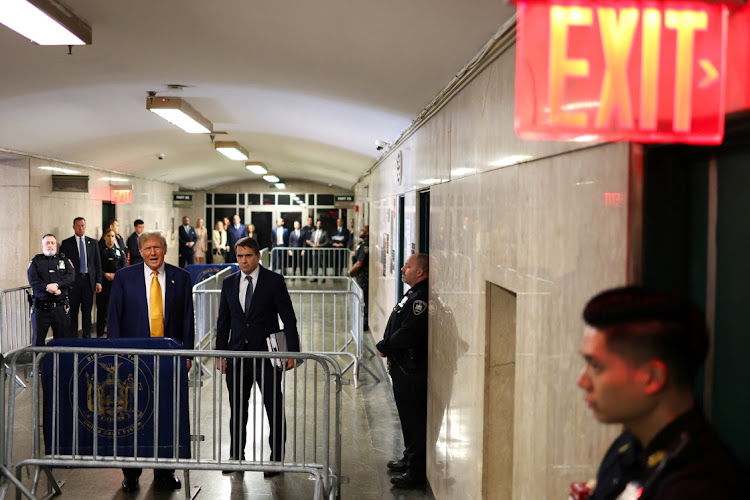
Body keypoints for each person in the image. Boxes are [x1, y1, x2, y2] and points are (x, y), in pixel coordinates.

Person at [578, 286, 749, 500]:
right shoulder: (627, 447)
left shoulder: (698, 486)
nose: (582, 381)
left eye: (596, 366)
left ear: (652, 377)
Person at [107, 230, 194, 493]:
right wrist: (116, 357)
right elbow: (114, 319)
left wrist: (188, 354)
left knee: (168, 415)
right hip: (133, 361)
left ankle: (165, 471)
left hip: (169, 360)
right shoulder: (124, 278)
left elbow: (188, 319)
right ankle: (131, 473)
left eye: (157, 247)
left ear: (165, 250)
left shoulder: (182, 277)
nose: (153, 253)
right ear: (139, 252)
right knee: (130, 415)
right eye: (147, 249)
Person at [215, 237, 300, 476]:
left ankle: (276, 460)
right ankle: (235, 457)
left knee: (273, 407)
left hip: (268, 356)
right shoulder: (229, 282)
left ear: (258, 256)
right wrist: (220, 354)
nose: (243, 261)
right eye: (240, 256)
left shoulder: (274, 281)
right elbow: (223, 321)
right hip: (237, 356)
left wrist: (292, 351)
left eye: (248, 256)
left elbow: (288, 317)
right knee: (238, 409)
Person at [376, 253, 429, 489]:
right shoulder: (412, 294)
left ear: (420, 272)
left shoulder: (421, 298)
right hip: (401, 368)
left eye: (408, 266)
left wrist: (385, 345)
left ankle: (415, 471)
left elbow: (410, 332)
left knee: (414, 420)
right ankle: (409, 457)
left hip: (411, 370)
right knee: (407, 419)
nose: (402, 268)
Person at [28, 234, 75, 346]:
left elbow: (71, 276)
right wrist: (47, 288)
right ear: (42, 246)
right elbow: (33, 279)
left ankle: (60, 363)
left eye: (52, 243)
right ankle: (38, 364)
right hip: (41, 308)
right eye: (47, 243)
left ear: (56, 245)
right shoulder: (35, 261)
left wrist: (57, 285)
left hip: (59, 308)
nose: (50, 245)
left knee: (62, 341)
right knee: (38, 341)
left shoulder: (64, 260)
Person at [60, 217, 102, 339]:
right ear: (73, 227)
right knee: (73, 312)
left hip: (88, 282)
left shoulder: (93, 243)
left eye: (83, 225)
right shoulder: (67, 243)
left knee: (87, 312)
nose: (81, 228)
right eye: (78, 226)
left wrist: (98, 281)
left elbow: (97, 264)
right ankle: (73, 339)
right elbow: (63, 265)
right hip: (74, 282)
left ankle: (87, 338)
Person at [96, 229, 127, 338]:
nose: (110, 238)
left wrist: (116, 275)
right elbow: (97, 266)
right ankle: (99, 335)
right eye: (108, 236)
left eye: (113, 236)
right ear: (104, 237)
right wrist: (105, 274)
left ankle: (114, 334)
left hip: (115, 284)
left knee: (115, 309)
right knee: (102, 310)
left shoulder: (119, 251)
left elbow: (124, 266)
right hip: (103, 284)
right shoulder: (99, 251)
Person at [348, 226, 369, 330]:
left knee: (363, 299)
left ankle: (364, 323)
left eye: (362, 231)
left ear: (367, 233)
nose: (360, 232)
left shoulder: (365, 246)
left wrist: (350, 271)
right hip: (360, 275)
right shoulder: (361, 244)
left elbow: (359, 262)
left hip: (363, 277)